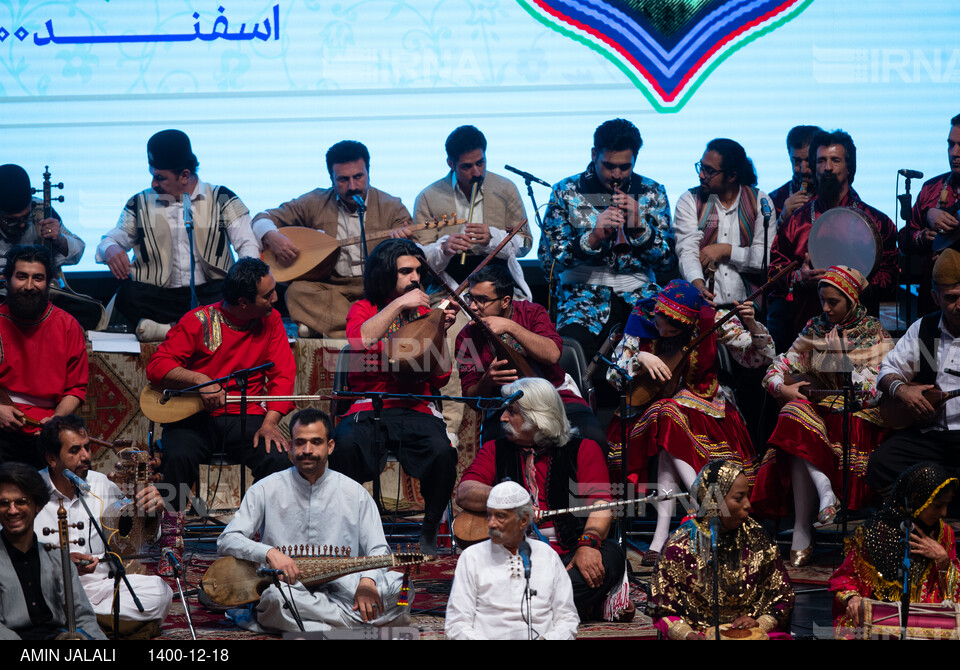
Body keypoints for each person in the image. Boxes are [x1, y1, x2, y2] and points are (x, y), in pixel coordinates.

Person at [606, 279, 773, 565]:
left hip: (705, 407)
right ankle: (705, 507)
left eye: (672, 330)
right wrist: (640, 358)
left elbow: (759, 358)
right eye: (660, 325)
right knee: (666, 414)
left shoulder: (711, 319)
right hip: (652, 409)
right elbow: (614, 376)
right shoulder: (641, 317)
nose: (662, 332)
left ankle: (662, 534)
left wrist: (754, 325)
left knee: (667, 419)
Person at [145, 257, 295, 564]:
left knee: (277, 457)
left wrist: (270, 422)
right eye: (268, 295)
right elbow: (157, 366)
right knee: (177, 454)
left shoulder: (272, 320)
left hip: (246, 415)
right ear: (243, 303)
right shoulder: (198, 320)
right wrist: (200, 380)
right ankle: (171, 538)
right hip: (192, 417)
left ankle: (262, 539)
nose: (276, 299)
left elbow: (283, 376)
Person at [218, 408, 410, 633]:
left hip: (345, 587)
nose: (306, 450)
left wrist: (368, 581)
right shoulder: (265, 488)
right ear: (290, 446)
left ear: (330, 446)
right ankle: (350, 628)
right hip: (290, 588)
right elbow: (227, 540)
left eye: (316, 442)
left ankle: (312, 627)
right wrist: (269, 553)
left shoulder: (354, 493)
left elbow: (378, 548)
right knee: (273, 600)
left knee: (403, 591)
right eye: (300, 443)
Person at [456, 377, 630, 621]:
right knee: (476, 564)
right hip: (514, 554)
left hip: (571, 551)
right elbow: (465, 492)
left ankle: (521, 608)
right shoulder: (495, 449)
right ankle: (564, 605)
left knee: (611, 556)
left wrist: (587, 545)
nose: (503, 418)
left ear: (538, 417)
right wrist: (513, 499)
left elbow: (602, 506)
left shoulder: (584, 449)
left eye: (512, 411)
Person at [752, 266, 892, 566]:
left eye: (833, 302)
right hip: (818, 414)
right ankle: (822, 497)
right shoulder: (814, 327)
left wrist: (838, 361)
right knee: (792, 411)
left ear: (852, 300)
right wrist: (783, 389)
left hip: (855, 418)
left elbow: (872, 392)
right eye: (823, 301)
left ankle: (805, 526)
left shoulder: (873, 333)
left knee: (799, 425)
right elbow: (774, 369)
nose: (826, 309)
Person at [328, 238, 457, 555]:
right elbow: (360, 342)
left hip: (415, 408)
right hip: (366, 408)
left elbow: (440, 376)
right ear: (386, 274)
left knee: (443, 452)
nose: (415, 278)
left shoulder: (427, 313)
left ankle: (428, 531)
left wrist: (438, 330)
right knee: (344, 446)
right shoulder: (364, 309)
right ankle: (351, 529)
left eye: (418, 271)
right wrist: (400, 305)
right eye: (405, 271)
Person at [538, 118, 674, 373]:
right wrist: (592, 238)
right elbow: (548, 262)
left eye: (625, 167)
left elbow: (668, 262)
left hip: (641, 297)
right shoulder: (565, 191)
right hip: (581, 300)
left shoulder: (652, 192)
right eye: (609, 166)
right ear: (593, 154)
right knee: (568, 358)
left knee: (668, 350)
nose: (617, 175)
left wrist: (640, 230)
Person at [97, 129, 260, 340]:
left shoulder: (221, 197)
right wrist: (110, 249)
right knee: (129, 294)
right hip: (161, 298)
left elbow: (247, 245)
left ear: (184, 175)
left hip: (211, 294)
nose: (153, 184)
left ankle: (168, 330)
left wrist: (244, 283)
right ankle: (198, 329)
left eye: (160, 177)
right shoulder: (140, 203)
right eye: (152, 175)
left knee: (235, 295)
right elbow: (111, 239)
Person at [252, 140, 414, 338]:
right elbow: (261, 218)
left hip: (378, 288)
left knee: (409, 288)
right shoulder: (314, 202)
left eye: (358, 177)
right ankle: (371, 328)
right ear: (331, 178)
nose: (352, 186)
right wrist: (272, 236)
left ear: (368, 173)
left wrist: (403, 242)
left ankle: (339, 329)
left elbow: (413, 253)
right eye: (343, 179)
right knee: (297, 292)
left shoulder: (392, 206)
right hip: (331, 289)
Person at [33, 415, 172, 636]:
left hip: (100, 587)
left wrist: (152, 514)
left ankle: (74, 624)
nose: (86, 456)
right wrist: (60, 562)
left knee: (159, 592)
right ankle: (109, 626)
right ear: (51, 458)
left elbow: (137, 540)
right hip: (51, 588)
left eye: (87, 448)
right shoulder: (28, 491)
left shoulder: (101, 484)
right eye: (75, 450)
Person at [766, 129, 898, 353]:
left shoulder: (877, 222)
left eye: (835, 160)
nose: (827, 167)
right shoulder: (796, 222)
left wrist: (853, 284)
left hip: (859, 340)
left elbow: (891, 276)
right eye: (820, 161)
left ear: (850, 167)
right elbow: (774, 273)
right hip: (806, 335)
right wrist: (799, 278)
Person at [454, 264, 605, 448]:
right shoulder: (466, 336)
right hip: (505, 405)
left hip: (554, 395)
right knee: (494, 447)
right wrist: (487, 380)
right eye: (470, 298)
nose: (472, 307)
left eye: (482, 300)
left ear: (505, 301)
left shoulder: (532, 312)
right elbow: (472, 398)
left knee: (593, 437)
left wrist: (511, 327)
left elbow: (552, 355)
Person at [649, 460, 794, 640]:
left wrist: (759, 622)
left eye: (747, 496)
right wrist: (687, 635)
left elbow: (782, 597)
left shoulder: (758, 538)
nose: (748, 505)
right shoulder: (677, 546)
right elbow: (662, 609)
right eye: (738, 498)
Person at [866, 249, 960, 494]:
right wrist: (902, 390)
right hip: (930, 436)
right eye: (951, 298)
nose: (959, 305)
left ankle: (936, 491)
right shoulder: (926, 329)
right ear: (935, 297)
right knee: (881, 464)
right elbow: (887, 370)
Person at [829, 463, 960, 639]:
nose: (943, 512)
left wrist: (944, 561)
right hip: (879, 619)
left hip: (926, 621)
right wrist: (852, 599)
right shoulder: (874, 533)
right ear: (915, 500)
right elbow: (844, 578)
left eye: (946, 505)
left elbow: (953, 597)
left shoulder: (944, 535)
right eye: (937, 506)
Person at [445, 480, 579, 640]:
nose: (491, 523)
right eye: (489, 515)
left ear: (523, 520)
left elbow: (567, 618)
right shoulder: (471, 557)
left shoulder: (547, 555)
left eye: (500, 516)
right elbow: (456, 623)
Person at [416, 125, 533, 300]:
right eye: (467, 166)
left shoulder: (506, 188)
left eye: (481, 162)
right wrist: (444, 249)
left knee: (515, 323)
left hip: (499, 284)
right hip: (449, 287)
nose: (477, 172)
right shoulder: (428, 196)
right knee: (450, 326)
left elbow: (526, 242)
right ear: (451, 163)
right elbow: (422, 258)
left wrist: (494, 239)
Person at [0, 245, 87, 468]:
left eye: (37, 278)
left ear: (48, 282)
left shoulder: (68, 325)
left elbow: (75, 389)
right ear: (6, 280)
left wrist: (56, 420)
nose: (29, 286)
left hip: (46, 430)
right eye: (21, 277)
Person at [0, 461, 106, 640]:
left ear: (37, 506)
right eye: (4, 503)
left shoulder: (57, 558)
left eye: (21, 502)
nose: (12, 510)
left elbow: (83, 618)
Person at [674, 138, 774, 308]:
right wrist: (699, 287)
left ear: (732, 176)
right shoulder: (690, 200)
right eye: (701, 167)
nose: (701, 175)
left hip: (749, 309)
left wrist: (727, 251)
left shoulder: (760, 200)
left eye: (709, 170)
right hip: (704, 307)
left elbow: (766, 258)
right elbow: (687, 251)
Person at [898, 114, 960, 316]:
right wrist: (923, 234)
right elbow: (904, 240)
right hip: (933, 307)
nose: (954, 153)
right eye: (950, 145)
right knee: (928, 347)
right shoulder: (931, 189)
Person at [767, 125, 823, 224]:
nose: (803, 170)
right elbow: (764, 239)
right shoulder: (774, 200)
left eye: (809, 161)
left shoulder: (838, 196)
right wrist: (783, 218)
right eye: (797, 161)